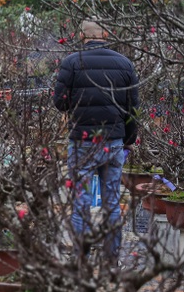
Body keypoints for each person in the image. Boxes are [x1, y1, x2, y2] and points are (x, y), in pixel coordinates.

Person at [53, 20, 140, 258]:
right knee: (111, 200)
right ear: (104, 34)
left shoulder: (72, 62)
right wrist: (129, 138)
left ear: (82, 36)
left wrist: (77, 106)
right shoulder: (124, 64)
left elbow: (60, 102)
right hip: (113, 141)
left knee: (80, 201)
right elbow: (133, 107)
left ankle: (81, 255)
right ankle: (112, 256)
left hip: (82, 142)